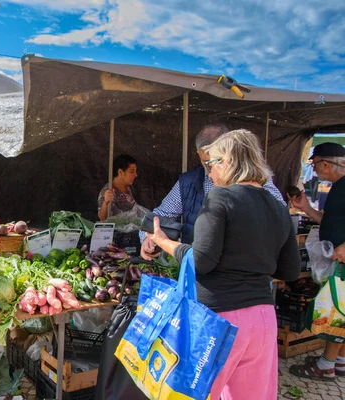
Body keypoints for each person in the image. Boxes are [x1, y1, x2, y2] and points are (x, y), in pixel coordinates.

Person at [148, 129, 300, 400]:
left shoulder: (221, 197)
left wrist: (163, 242)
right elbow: (289, 270)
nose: (209, 171)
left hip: (218, 320)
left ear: (228, 162)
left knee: (191, 394)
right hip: (262, 319)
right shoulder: (278, 207)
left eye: (212, 163)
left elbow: (201, 261)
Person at [141, 124, 286, 258]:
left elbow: (280, 219)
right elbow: (161, 215)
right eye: (207, 162)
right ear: (198, 153)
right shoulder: (188, 182)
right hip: (203, 275)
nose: (211, 170)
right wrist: (148, 237)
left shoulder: (259, 183)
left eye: (216, 161)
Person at [289, 142, 345, 381]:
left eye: (314, 164)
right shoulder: (338, 188)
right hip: (337, 257)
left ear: (325, 163)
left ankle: (326, 365)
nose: (314, 170)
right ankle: (340, 361)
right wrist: (306, 208)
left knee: (337, 312)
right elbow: (331, 220)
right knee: (341, 308)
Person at [97, 154, 139, 221]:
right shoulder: (108, 191)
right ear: (120, 172)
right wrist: (105, 202)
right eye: (132, 171)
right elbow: (102, 217)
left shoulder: (128, 188)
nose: (135, 175)